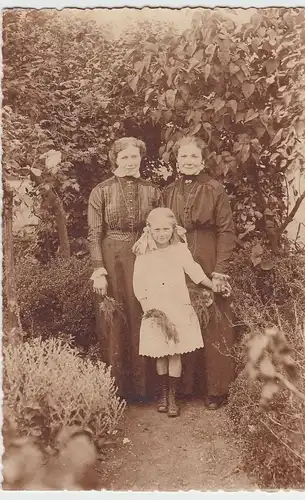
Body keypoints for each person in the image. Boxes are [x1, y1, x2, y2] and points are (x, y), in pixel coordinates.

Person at [88, 137, 162, 401]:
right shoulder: (101, 191)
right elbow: (94, 233)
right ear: (115, 160)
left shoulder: (152, 191)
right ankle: (117, 389)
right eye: (125, 158)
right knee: (115, 319)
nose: (131, 162)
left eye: (135, 157)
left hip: (144, 258)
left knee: (142, 314)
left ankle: (145, 390)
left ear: (141, 159)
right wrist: (99, 269)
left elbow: (161, 227)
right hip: (112, 258)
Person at [164, 136, 236, 410]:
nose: (188, 161)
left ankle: (216, 390)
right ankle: (185, 387)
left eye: (194, 157)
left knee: (214, 320)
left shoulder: (215, 189)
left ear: (203, 161)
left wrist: (220, 270)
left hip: (208, 256)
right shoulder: (169, 190)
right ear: (177, 161)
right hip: (178, 258)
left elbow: (226, 231)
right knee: (183, 317)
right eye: (183, 157)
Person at [132, 208, 214, 417]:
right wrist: (147, 307)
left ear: (173, 229)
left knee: (175, 351)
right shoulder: (144, 252)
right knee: (160, 352)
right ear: (149, 229)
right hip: (155, 308)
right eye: (157, 229)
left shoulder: (180, 249)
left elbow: (194, 271)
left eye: (166, 229)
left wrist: (212, 285)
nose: (162, 234)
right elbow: (138, 281)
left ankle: (173, 398)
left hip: (177, 304)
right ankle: (163, 393)